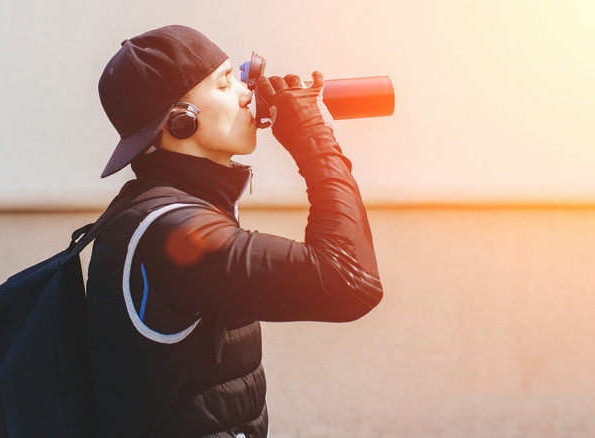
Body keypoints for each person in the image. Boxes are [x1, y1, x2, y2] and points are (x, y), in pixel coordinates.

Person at [87, 24, 383, 437]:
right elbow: (350, 280)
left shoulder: (164, 207)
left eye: (239, 77)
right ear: (180, 121)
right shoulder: (173, 232)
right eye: (226, 84)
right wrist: (313, 137)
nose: (248, 93)